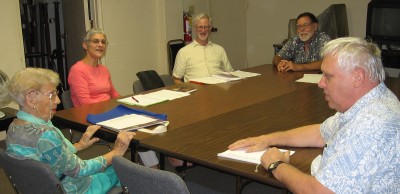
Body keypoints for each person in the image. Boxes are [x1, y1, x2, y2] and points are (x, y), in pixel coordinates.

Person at [229, 37, 400, 193]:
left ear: (357, 78)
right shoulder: (372, 101)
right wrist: (267, 139)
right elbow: (321, 133)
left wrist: (276, 165)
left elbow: (319, 192)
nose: (320, 83)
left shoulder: (372, 123)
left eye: (328, 76)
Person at [5, 67, 135, 193]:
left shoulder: (14, 127)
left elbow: (51, 155)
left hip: (38, 187)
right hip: (71, 189)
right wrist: (116, 152)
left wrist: (79, 145)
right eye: (52, 95)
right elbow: (79, 170)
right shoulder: (46, 134)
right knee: (125, 170)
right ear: (30, 98)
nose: (58, 100)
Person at [68, 28, 160, 169]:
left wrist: (128, 102)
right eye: (95, 41)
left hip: (109, 113)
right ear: (85, 45)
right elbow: (85, 104)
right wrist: (112, 106)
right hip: (91, 117)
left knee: (144, 121)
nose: (100, 45)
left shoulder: (103, 69)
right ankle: (152, 170)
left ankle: (151, 168)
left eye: (103, 42)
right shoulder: (77, 70)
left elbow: (114, 94)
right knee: (135, 131)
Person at [172, 13, 234, 84]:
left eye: (206, 27)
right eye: (200, 27)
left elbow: (230, 73)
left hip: (219, 89)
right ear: (195, 29)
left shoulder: (220, 49)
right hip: (197, 91)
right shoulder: (183, 52)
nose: (203, 30)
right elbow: (176, 79)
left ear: (210, 28)